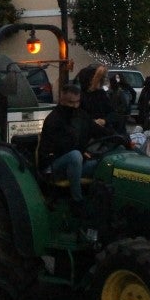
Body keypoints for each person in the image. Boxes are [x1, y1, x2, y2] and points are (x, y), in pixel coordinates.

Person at [38, 84, 110, 215]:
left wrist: (119, 138)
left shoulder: (81, 116)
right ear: (62, 100)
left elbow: (98, 130)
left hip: (75, 164)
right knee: (75, 156)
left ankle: (102, 202)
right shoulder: (54, 119)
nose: (75, 106)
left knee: (106, 163)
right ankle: (77, 201)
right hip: (53, 165)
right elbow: (61, 146)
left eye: (77, 102)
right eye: (71, 103)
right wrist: (82, 152)